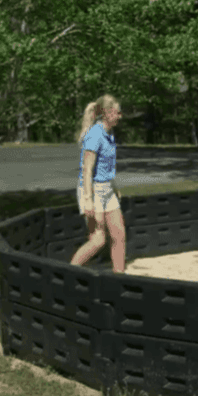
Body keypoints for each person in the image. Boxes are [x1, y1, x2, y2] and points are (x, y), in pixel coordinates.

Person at [70, 95, 126, 273]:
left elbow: (106, 165)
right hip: (93, 190)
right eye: (117, 112)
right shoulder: (95, 134)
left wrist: (114, 186)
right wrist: (88, 200)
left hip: (107, 189)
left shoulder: (109, 133)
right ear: (108, 113)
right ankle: (69, 272)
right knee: (98, 240)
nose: (120, 116)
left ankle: (120, 278)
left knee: (119, 235)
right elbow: (87, 170)